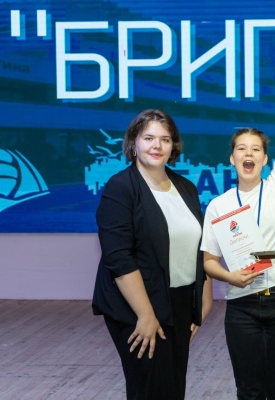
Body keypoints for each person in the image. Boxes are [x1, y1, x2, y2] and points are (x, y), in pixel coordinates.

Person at [201, 51, 275, 400]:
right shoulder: (218, 205)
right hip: (242, 306)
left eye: (256, 149)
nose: (248, 154)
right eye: (241, 149)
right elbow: (208, 261)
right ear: (231, 157)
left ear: (265, 158)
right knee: (248, 391)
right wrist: (229, 277)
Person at [92, 109, 213, 400]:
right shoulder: (121, 188)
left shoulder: (186, 187)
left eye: (165, 139)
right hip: (136, 306)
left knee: (172, 388)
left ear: (173, 146)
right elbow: (119, 259)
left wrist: (201, 303)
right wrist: (145, 315)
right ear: (133, 143)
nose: (157, 145)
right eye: (148, 138)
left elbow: (200, 247)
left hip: (179, 303)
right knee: (150, 390)